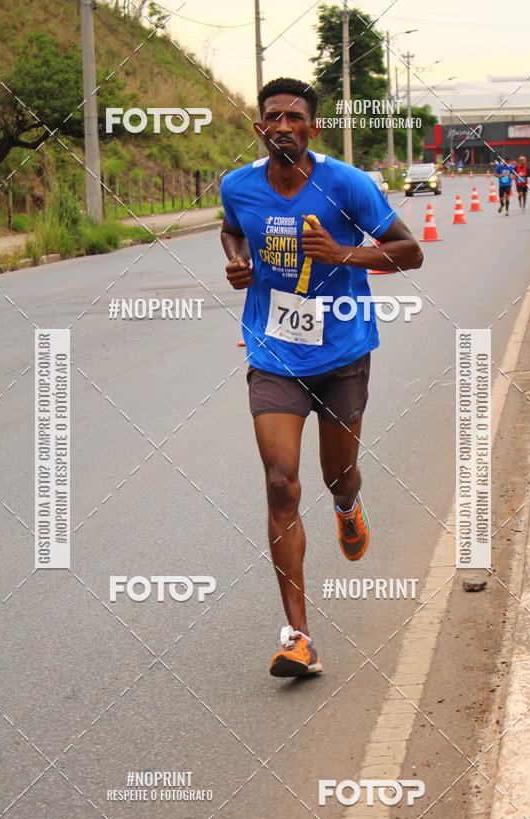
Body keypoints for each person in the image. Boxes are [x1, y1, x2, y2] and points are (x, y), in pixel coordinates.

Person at [219, 77, 423, 678]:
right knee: (281, 484)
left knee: (337, 475)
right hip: (274, 355)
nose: (283, 125)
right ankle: (298, 638)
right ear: (260, 128)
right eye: (273, 117)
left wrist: (342, 254)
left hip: (342, 354)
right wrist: (238, 258)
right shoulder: (239, 185)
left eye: (295, 117)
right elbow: (231, 225)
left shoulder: (347, 185)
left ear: (313, 127)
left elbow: (409, 251)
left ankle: (348, 503)